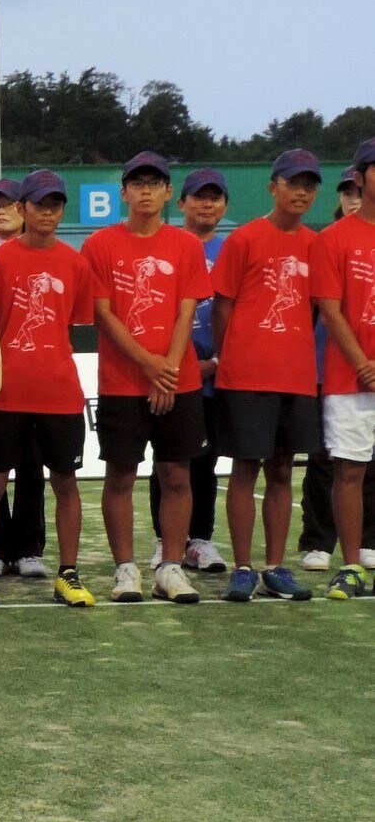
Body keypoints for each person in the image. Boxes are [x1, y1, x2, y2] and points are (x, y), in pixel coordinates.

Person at [83, 152, 214, 604]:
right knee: (120, 475)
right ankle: (125, 570)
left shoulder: (186, 246)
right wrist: (147, 365)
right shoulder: (100, 244)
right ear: (124, 192)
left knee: (177, 474)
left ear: (166, 193)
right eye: (136, 182)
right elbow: (103, 313)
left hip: (179, 381)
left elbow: (186, 309)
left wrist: (168, 372)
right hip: (122, 382)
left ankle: (171, 569)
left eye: (154, 182)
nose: (145, 190)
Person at [0, 169, 95, 610]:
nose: (48, 212)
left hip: (59, 394)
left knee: (65, 481)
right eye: (39, 204)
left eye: (55, 204)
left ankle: (68, 573)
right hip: (3, 392)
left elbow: (71, 326)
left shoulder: (76, 263)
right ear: (22, 210)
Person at [209, 151, 323, 600]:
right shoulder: (245, 239)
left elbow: (318, 307)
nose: (302, 192)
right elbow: (222, 306)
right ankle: (242, 568)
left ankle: (275, 566)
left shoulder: (317, 245)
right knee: (245, 469)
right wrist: (231, 356)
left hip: (296, 376)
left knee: (281, 471)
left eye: (310, 186)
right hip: (246, 375)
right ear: (273, 186)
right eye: (294, 183)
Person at [146, 169, 229, 575]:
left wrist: (216, 363)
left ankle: (201, 540)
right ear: (180, 203)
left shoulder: (230, 250)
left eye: (215, 197)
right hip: (165, 372)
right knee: (166, 461)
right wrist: (168, 366)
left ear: (225, 206)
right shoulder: (166, 246)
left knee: (205, 461)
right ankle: (166, 543)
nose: (207, 204)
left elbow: (238, 312)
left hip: (213, 376)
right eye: (199, 197)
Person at [298, 162, 375, 570]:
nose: (353, 198)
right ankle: (331, 550)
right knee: (332, 463)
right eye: (348, 192)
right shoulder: (328, 240)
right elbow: (326, 311)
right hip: (339, 372)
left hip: (360, 369)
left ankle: (367, 542)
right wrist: (363, 362)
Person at [0, 177, 49, 580]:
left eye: (8, 204)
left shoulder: (44, 253)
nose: (0, 211)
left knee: (32, 465)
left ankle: (29, 548)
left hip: (33, 380)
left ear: (23, 209)